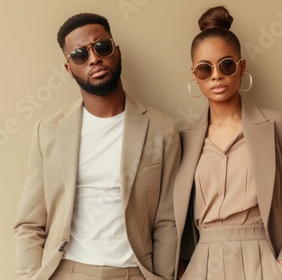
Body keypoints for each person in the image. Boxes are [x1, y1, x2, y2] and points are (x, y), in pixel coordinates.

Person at [14, 12, 181, 280]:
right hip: (67, 271)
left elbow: (167, 222)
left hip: (133, 273)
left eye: (102, 47)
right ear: (69, 69)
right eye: (80, 55)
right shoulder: (49, 132)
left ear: (117, 52)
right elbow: (30, 223)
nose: (94, 59)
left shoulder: (163, 130)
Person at [173, 6, 282, 280]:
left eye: (226, 65)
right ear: (194, 75)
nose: (216, 76)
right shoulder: (183, 138)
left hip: (263, 261)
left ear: (241, 67)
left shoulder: (279, 126)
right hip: (202, 265)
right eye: (205, 69)